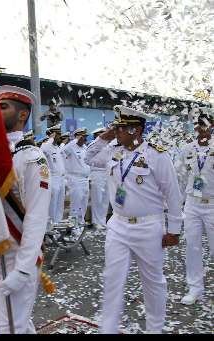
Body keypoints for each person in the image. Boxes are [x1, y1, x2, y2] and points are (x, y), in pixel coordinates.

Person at [85, 105, 183, 334]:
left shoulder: (156, 155)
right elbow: (89, 157)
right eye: (116, 127)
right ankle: (108, 328)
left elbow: (173, 194)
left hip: (148, 226)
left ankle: (155, 329)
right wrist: (105, 136)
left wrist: (174, 230)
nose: (116, 131)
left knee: (152, 282)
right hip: (118, 225)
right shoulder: (113, 151)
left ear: (136, 130)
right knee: (113, 278)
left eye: (120, 128)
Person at [0, 85, 51, 334]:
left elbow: (37, 217)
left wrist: (24, 268)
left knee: (8, 327)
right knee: (18, 322)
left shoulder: (32, 157)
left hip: (20, 253)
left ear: (22, 115)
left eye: (3, 107)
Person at [177, 108, 214, 305]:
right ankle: (195, 288)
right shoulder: (187, 149)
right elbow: (181, 177)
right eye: (198, 125)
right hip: (192, 204)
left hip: (212, 204)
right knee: (192, 247)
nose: (201, 129)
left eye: (205, 125)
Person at [62, 128, 91, 223]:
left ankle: (81, 223)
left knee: (84, 203)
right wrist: (75, 140)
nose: (85, 139)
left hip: (85, 179)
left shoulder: (85, 148)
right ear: (77, 137)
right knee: (76, 204)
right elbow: (62, 151)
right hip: (75, 179)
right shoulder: (70, 147)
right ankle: (74, 226)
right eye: (83, 137)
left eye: (85, 137)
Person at [40, 124, 66, 225]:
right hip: (53, 178)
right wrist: (51, 139)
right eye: (58, 134)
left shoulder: (57, 147)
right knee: (53, 204)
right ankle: (50, 227)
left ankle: (58, 225)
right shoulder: (46, 146)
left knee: (60, 204)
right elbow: (43, 150)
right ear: (53, 135)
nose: (60, 137)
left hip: (61, 178)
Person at [88, 128, 110, 229]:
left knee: (106, 198)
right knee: (98, 198)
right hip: (96, 172)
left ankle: (103, 220)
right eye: (101, 133)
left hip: (107, 172)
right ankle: (96, 221)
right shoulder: (93, 145)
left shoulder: (109, 145)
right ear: (96, 135)